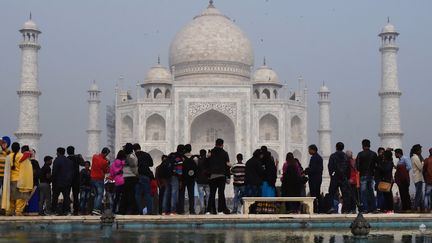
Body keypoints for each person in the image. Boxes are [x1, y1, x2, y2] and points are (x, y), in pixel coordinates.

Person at [207, 139, 231, 215]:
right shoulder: (225, 153)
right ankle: (220, 210)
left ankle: (210, 210)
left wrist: (208, 175)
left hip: (213, 176)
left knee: (212, 194)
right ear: (222, 144)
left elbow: (206, 164)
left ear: (215, 143)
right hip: (221, 176)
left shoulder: (210, 153)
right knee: (221, 193)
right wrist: (228, 176)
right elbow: (227, 166)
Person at [327, 142, 350, 213]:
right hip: (343, 178)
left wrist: (332, 175)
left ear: (336, 147)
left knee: (331, 193)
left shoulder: (333, 156)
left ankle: (332, 207)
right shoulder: (346, 156)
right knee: (345, 194)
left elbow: (330, 166)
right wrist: (347, 177)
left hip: (335, 177)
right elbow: (348, 168)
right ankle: (345, 209)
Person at [356, 139, 378, 213]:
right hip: (371, 175)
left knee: (363, 193)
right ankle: (374, 208)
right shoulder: (374, 154)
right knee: (371, 192)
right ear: (369, 145)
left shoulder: (360, 154)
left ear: (362, 146)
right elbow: (377, 165)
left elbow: (357, 166)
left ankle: (365, 208)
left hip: (363, 175)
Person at [162, 145, 184, 215]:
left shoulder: (171, 155)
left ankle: (164, 211)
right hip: (174, 176)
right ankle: (173, 210)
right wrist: (180, 180)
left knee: (167, 193)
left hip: (167, 176)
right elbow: (180, 171)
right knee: (174, 193)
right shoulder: (179, 157)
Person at [52, 147, 74, 215]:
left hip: (58, 182)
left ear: (58, 153)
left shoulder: (57, 160)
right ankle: (66, 211)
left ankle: (54, 210)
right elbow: (72, 172)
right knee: (66, 197)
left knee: (55, 197)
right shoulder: (69, 161)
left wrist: (53, 181)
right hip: (67, 183)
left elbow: (54, 172)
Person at [133, 143, 154, 215]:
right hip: (145, 175)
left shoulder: (133, 156)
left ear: (134, 149)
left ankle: (139, 211)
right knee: (147, 194)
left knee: (137, 194)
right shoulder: (146, 154)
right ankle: (149, 211)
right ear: (140, 147)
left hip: (137, 176)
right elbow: (151, 164)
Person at [90, 147, 110, 215]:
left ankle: (95, 210)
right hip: (99, 179)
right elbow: (106, 170)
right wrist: (108, 163)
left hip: (92, 178)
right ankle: (96, 209)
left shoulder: (94, 157)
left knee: (96, 195)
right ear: (105, 153)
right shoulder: (104, 162)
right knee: (100, 195)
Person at [119, 143, 138, 215]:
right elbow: (133, 167)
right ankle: (132, 210)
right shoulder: (131, 156)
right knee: (130, 195)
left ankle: (123, 210)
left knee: (125, 195)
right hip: (131, 177)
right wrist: (136, 174)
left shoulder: (125, 157)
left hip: (125, 177)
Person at [66, 146, 85, 215]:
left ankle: (67, 209)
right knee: (76, 196)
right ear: (74, 151)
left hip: (68, 179)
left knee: (66, 195)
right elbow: (83, 164)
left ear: (67, 152)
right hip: (76, 179)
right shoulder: (77, 158)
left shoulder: (66, 159)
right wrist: (81, 157)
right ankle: (76, 211)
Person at [304, 144, 323, 212]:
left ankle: (315, 208)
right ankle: (320, 208)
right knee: (317, 193)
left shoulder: (314, 158)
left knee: (314, 194)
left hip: (314, 179)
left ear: (312, 150)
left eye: (309, 150)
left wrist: (305, 172)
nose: (308, 151)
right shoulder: (318, 157)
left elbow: (313, 169)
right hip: (318, 178)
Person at [180, 144, 197, 214]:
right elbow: (197, 168)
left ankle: (181, 210)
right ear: (191, 149)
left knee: (181, 194)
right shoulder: (194, 158)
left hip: (183, 178)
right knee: (191, 194)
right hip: (191, 178)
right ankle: (192, 210)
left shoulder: (182, 158)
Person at [26, 149, 41, 214]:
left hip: (30, 183)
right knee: (33, 199)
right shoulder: (35, 162)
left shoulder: (28, 162)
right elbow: (38, 173)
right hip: (33, 183)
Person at [196, 150, 210, 214]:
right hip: (207, 180)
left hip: (199, 181)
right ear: (205, 154)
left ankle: (202, 209)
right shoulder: (208, 160)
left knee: (201, 196)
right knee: (208, 195)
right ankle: (208, 209)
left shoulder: (197, 161)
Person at [411, 144, 424, 212]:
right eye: (420, 149)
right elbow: (420, 167)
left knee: (420, 194)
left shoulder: (416, 157)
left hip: (418, 178)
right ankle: (415, 207)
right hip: (418, 178)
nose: (421, 151)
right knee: (418, 194)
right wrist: (423, 162)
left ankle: (422, 207)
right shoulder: (415, 158)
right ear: (417, 150)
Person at [0, 136, 11, 203]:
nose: (2, 145)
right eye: (2, 143)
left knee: (5, 192)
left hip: (6, 176)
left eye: (4, 143)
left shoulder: (10, 153)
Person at [375, 147, 385, 212]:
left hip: (382, 178)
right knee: (380, 193)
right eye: (381, 152)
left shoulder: (384, 160)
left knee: (382, 194)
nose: (382, 154)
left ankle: (381, 207)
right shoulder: (378, 159)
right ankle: (379, 207)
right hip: (378, 178)